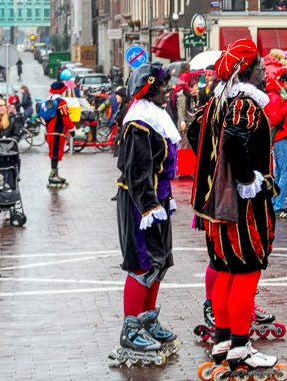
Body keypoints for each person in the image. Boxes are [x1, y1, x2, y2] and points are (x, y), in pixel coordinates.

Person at [190, 39, 279, 373]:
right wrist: (245, 178)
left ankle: (224, 340)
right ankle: (241, 347)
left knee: (226, 271)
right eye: (260, 66)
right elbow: (233, 138)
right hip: (242, 206)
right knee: (246, 271)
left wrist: (216, 171)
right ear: (246, 70)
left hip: (216, 205)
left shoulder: (216, 101)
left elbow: (197, 129)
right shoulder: (246, 104)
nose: (265, 72)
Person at [115, 62, 179, 358]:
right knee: (142, 262)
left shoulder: (156, 116)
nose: (168, 91)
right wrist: (149, 205)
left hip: (158, 199)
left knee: (160, 262)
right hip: (142, 201)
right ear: (150, 90)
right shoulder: (138, 122)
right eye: (163, 86)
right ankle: (130, 330)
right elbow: (137, 171)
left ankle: (147, 321)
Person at [266, 69, 287, 216]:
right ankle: (278, 206)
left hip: (280, 136)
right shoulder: (276, 97)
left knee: (279, 173)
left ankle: (275, 203)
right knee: (286, 172)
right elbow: (274, 119)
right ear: (285, 83)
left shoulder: (276, 95)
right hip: (280, 136)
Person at [44, 81, 75, 187]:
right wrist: (72, 129)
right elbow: (65, 118)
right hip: (58, 131)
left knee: (53, 152)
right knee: (56, 152)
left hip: (49, 130)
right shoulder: (61, 102)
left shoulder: (49, 100)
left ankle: (54, 173)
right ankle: (53, 174)